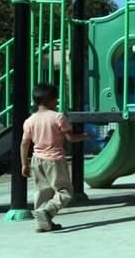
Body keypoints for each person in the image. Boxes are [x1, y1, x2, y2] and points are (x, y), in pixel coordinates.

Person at [21, 82, 87, 233]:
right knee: (65, 191)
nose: (57, 101)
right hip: (55, 159)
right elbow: (70, 138)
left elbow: (24, 143)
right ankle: (48, 212)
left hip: (37, 160)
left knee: (42, 191)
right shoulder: (58, 117)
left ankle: (42, 223)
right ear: (50, 100)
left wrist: (24, 163)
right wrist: (83, 136)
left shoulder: (30, 120)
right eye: (56, 98)